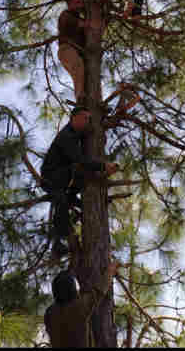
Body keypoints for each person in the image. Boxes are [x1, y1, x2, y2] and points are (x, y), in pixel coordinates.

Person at [40, 106, 119, 257]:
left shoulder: (75, 132)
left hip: (64, 176)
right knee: (62, 200)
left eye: (89, 119)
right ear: (73, 118)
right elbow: (80, 160)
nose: (87, 121)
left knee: (69, 196)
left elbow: (86, 137)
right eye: (84, 118)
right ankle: (58, 243)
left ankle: (78, 207)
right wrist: (103, 165)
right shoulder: (66, 136)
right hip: (51, 177)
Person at [44, 260, 119, 347]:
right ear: (72, 289)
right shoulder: (79, 306)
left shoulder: (49, 314)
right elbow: (100, 289)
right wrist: (111, 269)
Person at [57, 10, 87, 104]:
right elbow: (76, 24)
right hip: (66, 49)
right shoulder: (66, 14)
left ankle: (85, 99)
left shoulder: (81, 19)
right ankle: (81, 99)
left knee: (82, 75)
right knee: (78, 67)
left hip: (77, 53)